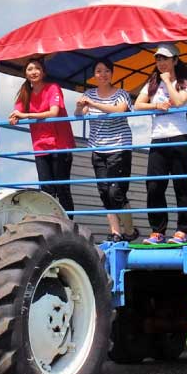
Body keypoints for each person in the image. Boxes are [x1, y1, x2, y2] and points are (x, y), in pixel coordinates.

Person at [134, 44, 187, 245]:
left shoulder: (185, 82)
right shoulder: (152, 83)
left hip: (179, 138)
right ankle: (157, 231)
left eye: (165, 59)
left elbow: (178, 102)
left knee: (182, 186)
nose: (161, 63)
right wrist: (157, 105)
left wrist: (168, 81)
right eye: (158, 59)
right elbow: (138, 105)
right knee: (154, 186)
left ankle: (182, 230)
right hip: (158, 139)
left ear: (175, 60)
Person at [74, 58, 139, 243]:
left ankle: (130, 230)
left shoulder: (121, 94)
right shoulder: (89, 94)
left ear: (112, 73)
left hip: (119, 146)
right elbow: (79, 115)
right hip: (97, 147)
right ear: (94, 75)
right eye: (98, 71)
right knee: (104, 191)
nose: (102, 75)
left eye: (106, 71)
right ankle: (116, 232)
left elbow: (119, 110)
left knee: (116, 192)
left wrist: (94, 105)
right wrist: (80, 108)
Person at [8, 57, 76, 215]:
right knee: (46, 189)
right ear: (25, 73)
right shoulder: (25, 93)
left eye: (37, 68)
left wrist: (25, 115)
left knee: (62, 188)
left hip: (60, 145)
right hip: (40, 146)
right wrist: (14, 118)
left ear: (43, 72)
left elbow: (54, 112)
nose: (33, 72)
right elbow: (17, 113)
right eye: (30, 69)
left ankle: (68, 223)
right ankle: (49, 222)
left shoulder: (53, 88)